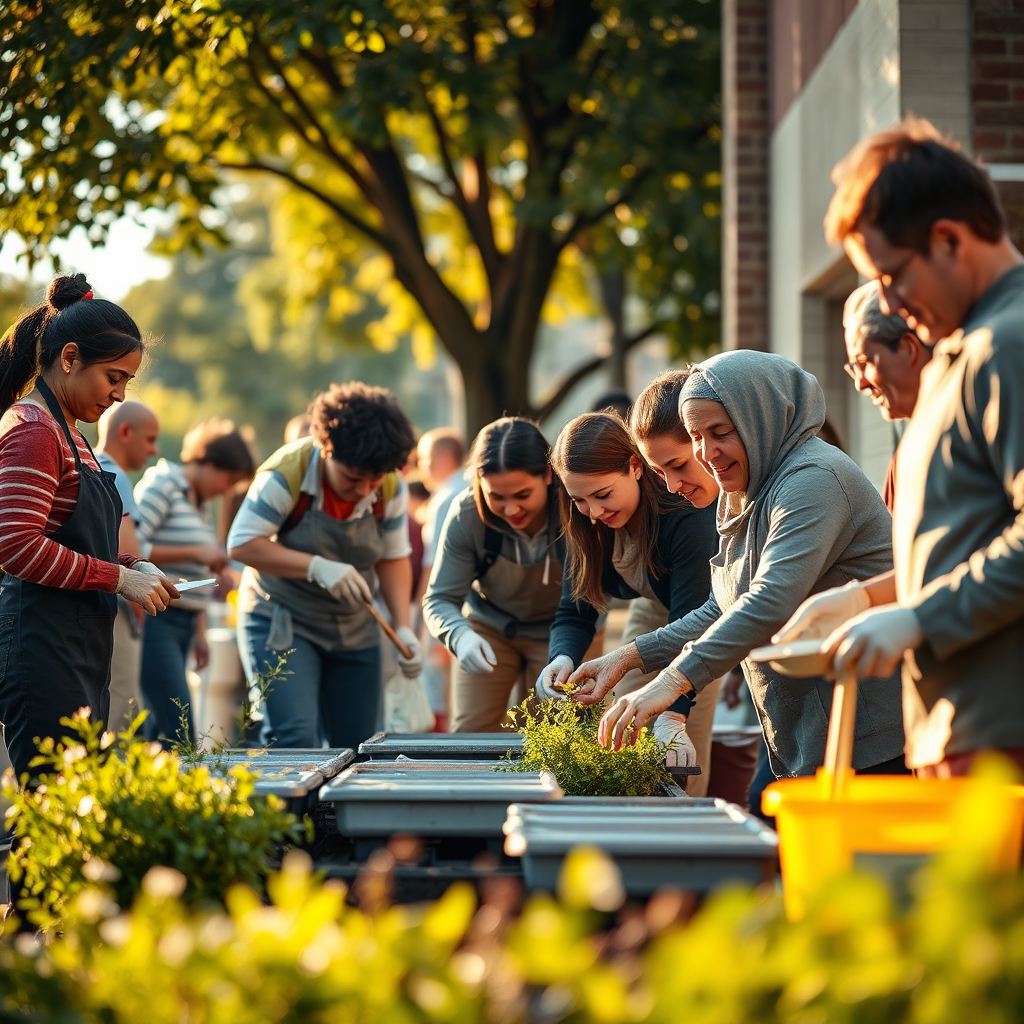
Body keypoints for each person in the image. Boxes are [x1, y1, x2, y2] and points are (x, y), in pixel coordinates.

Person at [778, 118, 1024, 776]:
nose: (887, 301)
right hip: (963, 730)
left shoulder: (1011, 346)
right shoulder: (962, 354)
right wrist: (868, 599)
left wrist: (920, 619)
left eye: (891, 276)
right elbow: (972, 546)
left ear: (949, 240)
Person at [573, 352, 906, 780]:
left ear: (758, 415)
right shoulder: (740, 492)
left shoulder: (814, 478)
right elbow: (722, 607)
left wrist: (673, 682)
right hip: (818, 735)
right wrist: (628, 656)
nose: (706, 453)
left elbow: (769, 601)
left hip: (873, 733)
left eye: (720, 432)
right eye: (696, 437)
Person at [0, 274, 178, 780]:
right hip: (42, 648)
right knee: (54, 814)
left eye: (127, 381)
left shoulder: (71, 434)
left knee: (80, 810)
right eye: (113, 377)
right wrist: (119, 579)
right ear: (70, 358)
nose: (120, 394)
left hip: (78, 647)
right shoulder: (34, 429)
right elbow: (16, 547)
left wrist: (131, 563)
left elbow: (69, 539)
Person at [228, 382, 422, 749]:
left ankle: (338, 811)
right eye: (352, 478)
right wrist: (317, 566)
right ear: (325, 448)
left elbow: (394, 557)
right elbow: (240, 544)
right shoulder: (285, 476)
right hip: (283, 620)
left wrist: (402, 626)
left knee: (360, 745)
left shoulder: (392, 487)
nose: (365, 490)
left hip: (355, 624)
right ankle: (292, 809)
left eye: (374, 479)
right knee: (294, 737)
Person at [536, 412, 720, 766]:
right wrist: (561, 657)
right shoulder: (583, 520)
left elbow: (692, 621)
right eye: (579, 499)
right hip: (653, 607)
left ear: (635, 466)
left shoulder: (684, 513)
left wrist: (672, 716)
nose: (593, 512)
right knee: (623, 716)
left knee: (679, 751)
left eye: (603, 494)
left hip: (704, 618)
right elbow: (576, 610)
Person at [603, 369, 724, 795]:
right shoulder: (689, 488)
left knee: (682, 764)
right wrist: (628, 660)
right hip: (671, 607)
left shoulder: (697, 511)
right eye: (660, 473)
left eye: (676, 466)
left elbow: (716, 614)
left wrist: (675, 709)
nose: (671, 485)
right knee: (632, 739)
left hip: (705, 611)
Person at [423, 418, 576, 732]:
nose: (510, 510)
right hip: (487, 630)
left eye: (522, 495)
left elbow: (591, 597)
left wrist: (568, 650)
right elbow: (439, 599)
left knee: (559, 736)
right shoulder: (466, 515)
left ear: (548, 474)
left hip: (564, 629)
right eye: (496, 497)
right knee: (470, 733)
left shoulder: (575, 508)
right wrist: (459, 636)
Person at [135, 418, 255, 745]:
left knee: (161, 726)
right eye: (228, 479)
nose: (227, 490)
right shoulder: (163, 485)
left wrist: (199, 631)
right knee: (178, 726)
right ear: (207, 463)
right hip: (156, 619)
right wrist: (198, 552)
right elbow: (131, 547)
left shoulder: (198, 502)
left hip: (184, 623)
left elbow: (194, 575)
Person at [96, 400, 160, 728]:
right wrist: (141, 608)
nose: (154, 450)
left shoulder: (90, 464)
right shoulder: (114, 474)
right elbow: (127, 549)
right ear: (125, 432)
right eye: (150, 439)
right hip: (120, 603)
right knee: (121, 704)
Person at [842, 281, 932, 510]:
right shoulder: (904, 457)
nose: (860, 383)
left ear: (908, 348)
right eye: (854, 368)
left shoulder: (977, 419)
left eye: (864, 363)